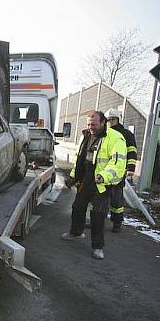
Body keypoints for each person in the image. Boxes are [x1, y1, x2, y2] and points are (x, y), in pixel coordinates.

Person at [61, 111, 127, 259]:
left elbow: (117, 164)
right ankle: (76, 232)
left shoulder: (116, 138)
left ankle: (98, 247)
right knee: (77, 207)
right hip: (87, 178)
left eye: (94, 124)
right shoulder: (86, 136)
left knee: (98, 215)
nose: (91, 127)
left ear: (103, 122)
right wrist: (73, 177)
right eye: (89, 124)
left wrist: (103, 176)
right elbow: (80, 160)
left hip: (103, 182)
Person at [106, 108, 138, 232]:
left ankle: (117, 223)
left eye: (112, 119)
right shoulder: (104, 133)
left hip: (117, 173)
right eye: (108, 120)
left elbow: (132, 151)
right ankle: (96, 221)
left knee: (116, 200)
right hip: (103, 171)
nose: (110, 122)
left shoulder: (126, 134)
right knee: (99, 199)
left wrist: (130, 168)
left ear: (117, 119)